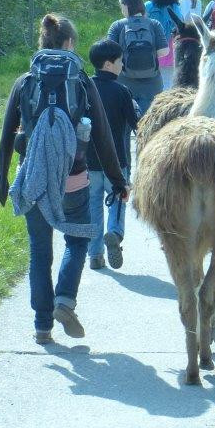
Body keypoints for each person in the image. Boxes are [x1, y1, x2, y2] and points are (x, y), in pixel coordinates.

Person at [0, 14, 129, 344]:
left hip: (35, 180)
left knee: (40, 252)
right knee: (78, 240)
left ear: (42, 43)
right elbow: (103, 137)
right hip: (74, 179)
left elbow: (7, 136)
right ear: (69, 43)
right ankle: (65, 301)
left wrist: (0, 182)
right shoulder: (81, 80)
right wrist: (118, 180)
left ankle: (42, 326)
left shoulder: (25, 81)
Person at [85, 39, 141, 271]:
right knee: (118, 200)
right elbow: (137, 125)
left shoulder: (84, 87)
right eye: (119, 61)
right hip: (116, 161)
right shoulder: (121, 91)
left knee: (93, 206)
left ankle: (95, 255)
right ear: (109, 64)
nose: (122, 64)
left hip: (88, 161)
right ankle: (115, 233)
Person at [108, 0, 168, 115]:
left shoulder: (117, 26)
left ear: (125, 5)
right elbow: (164, 51)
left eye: (121, 6)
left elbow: (109, 52)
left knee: (123, 126)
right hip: (152, 84)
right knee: (148, 126)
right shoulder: (154, 24)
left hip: (124, 82)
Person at [145, 0, 181, 88]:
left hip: (150, 43)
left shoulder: (148, 5)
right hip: (168, 44)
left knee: (151, 73)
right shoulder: (175, 6)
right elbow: (179, 23)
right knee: (168, 76)